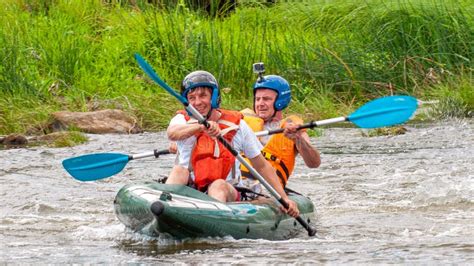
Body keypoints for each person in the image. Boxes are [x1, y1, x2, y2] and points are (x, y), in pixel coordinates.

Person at [165, 70, 300, 217]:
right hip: (190, 188)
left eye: (203, 96)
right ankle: (166, 207)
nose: (197, 102)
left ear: (214, 97)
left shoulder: (238, 126)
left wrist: (283, 198)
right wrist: (201, 127)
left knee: (218, 185)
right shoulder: (181, 120)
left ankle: (212, 221)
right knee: (179, 170)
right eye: (192, 98)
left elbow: (262, 165)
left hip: (227, 190)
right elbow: (172, 133)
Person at [240, 74, 321, 192]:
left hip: (268, 190)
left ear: (280, 101)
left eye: (266, 99)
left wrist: (298, 139)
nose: (260, 104)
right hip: (238, 184)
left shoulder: (292, 128)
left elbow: (314, 163)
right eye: (257, 99)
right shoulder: (242, 122)